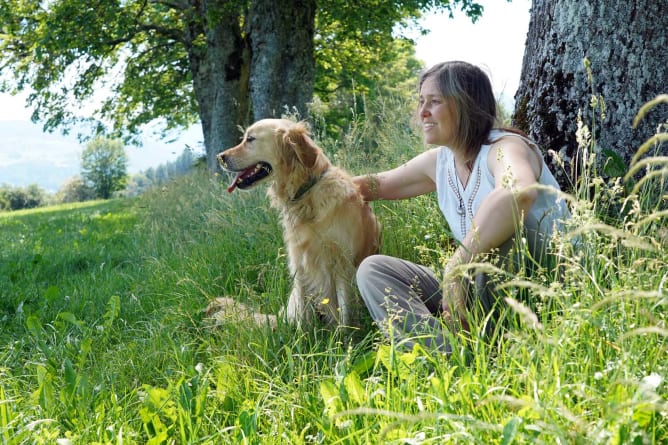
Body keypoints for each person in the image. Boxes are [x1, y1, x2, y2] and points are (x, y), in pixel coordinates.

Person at [353, 61, 570, 353]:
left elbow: (519, 191)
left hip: (542, 287)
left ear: (466, 105)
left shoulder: (505, 147)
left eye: (435, 101)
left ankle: (489, 353)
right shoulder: (440, 162)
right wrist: (302, 174)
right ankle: (447, 358)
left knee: (499, 241)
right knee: (374, 270)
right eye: (421, 102)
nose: (423, 112)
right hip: (477, 285)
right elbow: (371, 186)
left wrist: (457, 266)